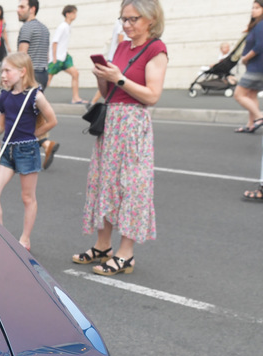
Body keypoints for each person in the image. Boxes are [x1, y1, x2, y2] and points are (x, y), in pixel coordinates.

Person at [72, 0, 167, 276]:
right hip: (112, 122)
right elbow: (108, 93)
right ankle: (103, 246)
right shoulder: (123, 47)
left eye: (133, 19)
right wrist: (103, 77)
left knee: (132, 187)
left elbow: (152, 96)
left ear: (150, 19)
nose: (126, 24)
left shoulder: (156, 49)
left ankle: (126, 254)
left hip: (133, 124)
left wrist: (120, 78)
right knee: (105, 183)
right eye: (123, 19)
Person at [0, 52, 57, 251]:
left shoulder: (35, 96)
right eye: (2, 71)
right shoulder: (4, 96)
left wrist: (33, 135)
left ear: (22, 71)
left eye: (7, 71)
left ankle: (25, 240)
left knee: (27, 198)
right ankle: (1, 236)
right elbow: (1, 124)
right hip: (7, 150)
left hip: (27, 151)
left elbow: (52, 120)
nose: (3, 75)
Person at [17, 0, 57, 169]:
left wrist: (15, 77)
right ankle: (46, 145)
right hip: (42, 74)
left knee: (21, 114)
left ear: (32, 9)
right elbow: (46, 55)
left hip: (29, 75)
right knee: (35, 113)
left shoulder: (27, 28)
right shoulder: (44, 29)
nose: (18, 10)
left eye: (22, 7)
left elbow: (22, 55)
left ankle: (34, 148)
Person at [47, 5, 85, 103]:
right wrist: (53, 58)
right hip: (57, 58)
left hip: (64, 57)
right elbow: (54, 42)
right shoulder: (62, 26)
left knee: (75, 73)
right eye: (74, 13)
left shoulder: (68, 26)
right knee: (47, 79)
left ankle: (75, 98)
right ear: (68, 14)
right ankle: (34, 99)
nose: (75, 15)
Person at [234, 1, 263, 133]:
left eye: (257, 8)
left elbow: (259, 46)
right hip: (257, 67)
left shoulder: (261, 25)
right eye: (253, 7)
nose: (253, 10)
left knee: (238, 94)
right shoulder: (256, 25)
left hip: (256, 67)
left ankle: (260, 117)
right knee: (251, 94)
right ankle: (251, 124)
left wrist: (245, 58)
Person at [90, 17, 125, 105]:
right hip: (117, 57)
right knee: (110, 81)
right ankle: (94, 102)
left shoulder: (119, 22)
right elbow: (121, 40)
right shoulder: (122, 23)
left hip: (114, 56)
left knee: (108, 81)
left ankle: (93, 102)